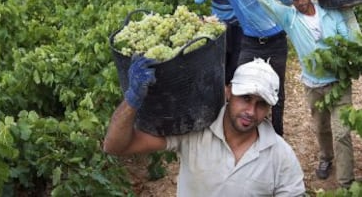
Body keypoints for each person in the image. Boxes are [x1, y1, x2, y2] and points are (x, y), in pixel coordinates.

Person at [103, 56, 306, 196]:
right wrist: (132, 100)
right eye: (245, 98)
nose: (251, 112)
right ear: (228, 92)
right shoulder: (194, 131)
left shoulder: (281, 156)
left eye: (261, 104)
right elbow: (115, 146)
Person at [257, 0, 359, 188]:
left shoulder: (329, 11)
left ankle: (345, 182)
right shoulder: (289, 18)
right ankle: (326, 158)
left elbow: (351, 39)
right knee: (321, 127)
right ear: (290, 1)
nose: (300, 2)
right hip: (313, 85)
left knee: (341, 133)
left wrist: (349, 16)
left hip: (339, 83)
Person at [195, 0, 290, 136]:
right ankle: (244, 132)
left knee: (277, 91)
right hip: (250, 43)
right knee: (240, 87)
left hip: (276, 41)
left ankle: (277, 135)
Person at [194, 0, 242, 85]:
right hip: (221, 27)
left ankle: (229, 91)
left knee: (235, 63)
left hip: (239, 27)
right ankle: (221, 90)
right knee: (221, 61)